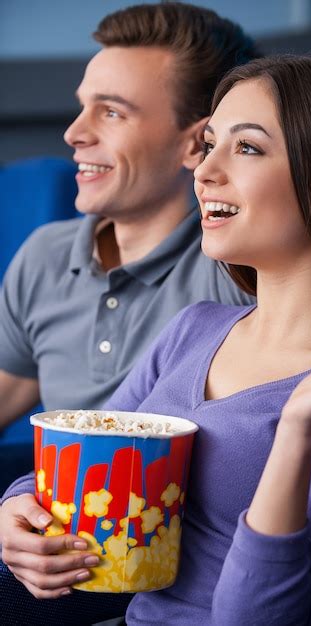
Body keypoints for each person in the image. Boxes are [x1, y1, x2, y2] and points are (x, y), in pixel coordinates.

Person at [1, 56, 311, 626]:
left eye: (246, 148)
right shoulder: (195, 328)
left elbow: (258, 617)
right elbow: (86, 455)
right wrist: (16, 509)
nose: (204, 170)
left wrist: (297, 427)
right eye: (210, 143)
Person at [0, 2, 257, 489]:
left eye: (111, 112)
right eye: (82, 106)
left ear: (196, 145)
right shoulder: (44, 257)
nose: (74, 133)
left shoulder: (239, 268)